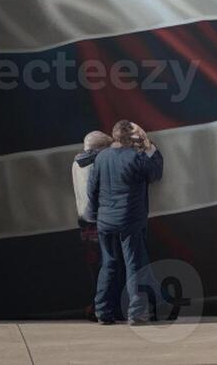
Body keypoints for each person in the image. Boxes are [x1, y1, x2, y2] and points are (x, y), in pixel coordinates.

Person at [87, 119, 165, 325]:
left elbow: (91, 190)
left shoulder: (101, 157)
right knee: (134, 265)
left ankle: (103, 311)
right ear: (132, 137)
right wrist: (150, 147)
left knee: (109, 265)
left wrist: (95, 215)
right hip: (129, 220)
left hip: (105, 222)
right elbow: (156, 173)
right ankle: (136, 313)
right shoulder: (136, 157)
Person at [72, 131, 113, 322]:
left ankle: (96, 305)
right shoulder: (96, 164)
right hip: (96, 221)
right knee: (105, 266)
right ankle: (100, 306)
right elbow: (94, 196)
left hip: (83, 223)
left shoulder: (77, 162)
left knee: (94, 269)